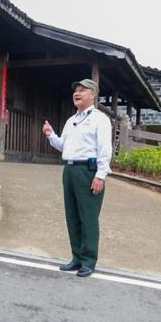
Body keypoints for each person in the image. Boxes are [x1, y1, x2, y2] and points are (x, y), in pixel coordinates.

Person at [42, 78, 112, 278]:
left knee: (88, 217)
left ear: (93, 94)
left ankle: (89, 260)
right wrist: (50, 135)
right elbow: (63, 145)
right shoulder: (71, 120)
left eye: (82, 90)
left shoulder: (100, 119)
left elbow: (105, 150)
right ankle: (77, 257)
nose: (77, 93)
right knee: (72, 216)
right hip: (70, 170)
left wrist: (100, 175)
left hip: (87, 171)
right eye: (75, 90)